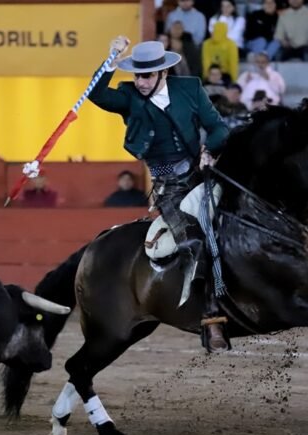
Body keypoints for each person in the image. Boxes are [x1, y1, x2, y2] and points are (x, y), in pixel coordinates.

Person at [77, 37, 231, 351]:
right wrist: (111, 57)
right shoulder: (128, 96)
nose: (141, 81)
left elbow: (218, 128)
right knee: (192, 240)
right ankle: (211, 318)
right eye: (137, 75)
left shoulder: (188, 88)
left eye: (147, 75)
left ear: (163, 73)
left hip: (201, 172)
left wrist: (208, 149)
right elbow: (94, 93)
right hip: (168, 187)